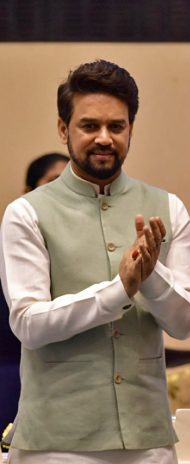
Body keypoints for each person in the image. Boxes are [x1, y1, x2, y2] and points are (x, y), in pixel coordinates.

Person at [0, 60, 190, 463]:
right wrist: (119, 290)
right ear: (64, 130)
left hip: (148, 442)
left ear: (131, 129)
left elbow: (187, 323)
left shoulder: (169, 207)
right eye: (89, 126)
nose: (104, 139)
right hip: (55, 444)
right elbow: (28, 325)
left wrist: (151, 278)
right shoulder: (26, 213)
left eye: (117, 126)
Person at [0, 152, 69, 434]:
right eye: (53, 182)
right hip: (11, 375)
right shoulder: (13, 242)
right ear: (27, 193)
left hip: (72, 380)